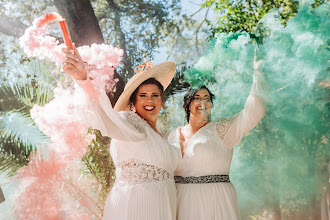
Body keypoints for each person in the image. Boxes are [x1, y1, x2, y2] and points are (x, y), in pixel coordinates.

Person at [62, 45, 179, 220]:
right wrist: (83, 80)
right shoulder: (131, 122)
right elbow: (106, 117)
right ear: (132, 102)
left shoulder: (161, 135)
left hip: (164, 208)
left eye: (155, 95)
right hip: (137, 208)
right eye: (143, 95)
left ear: (162, 101)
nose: (150, 100)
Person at [168, 57, 267, 220]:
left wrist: (258, 73)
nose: (203, 103)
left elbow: (254, 112)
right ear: (187, 103)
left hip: (215, 202)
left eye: (207, 99)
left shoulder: (223, 129)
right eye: (197, 98)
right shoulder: (172, 134)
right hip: (180, 203)